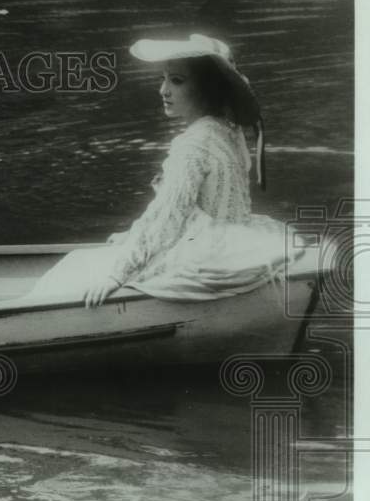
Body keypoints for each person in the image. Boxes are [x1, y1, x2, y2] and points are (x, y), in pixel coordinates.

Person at [27, 33, 295, 307]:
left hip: (207, 255)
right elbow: (199, 210)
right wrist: (131, 237)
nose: (163, 91)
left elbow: (168, 215)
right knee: (108, 251)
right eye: (163, 79)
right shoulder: (227, 130)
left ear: (207, 89)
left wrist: (117, 275)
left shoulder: (193, 145)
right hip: (236, 240)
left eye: (176, 81)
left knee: (76, 266)